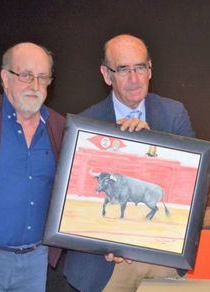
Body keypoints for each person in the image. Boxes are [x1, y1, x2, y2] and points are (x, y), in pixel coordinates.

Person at [64, 34, 195, 292]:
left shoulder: (174, 114)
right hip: (104, 266)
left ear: (150, 69)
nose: (134, 79)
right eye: (123, 69)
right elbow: (77, 201)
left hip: (160, 259)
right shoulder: (86, 124)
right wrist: (105, 243)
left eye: (140, 67)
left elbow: (186, 187)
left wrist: (149, 143)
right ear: (106, 74)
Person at [0, 43, 65, 291]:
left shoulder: (60, 128)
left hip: (35, 262)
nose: (35, 86)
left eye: (42, 77)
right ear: (5, 78)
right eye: (25, 75)